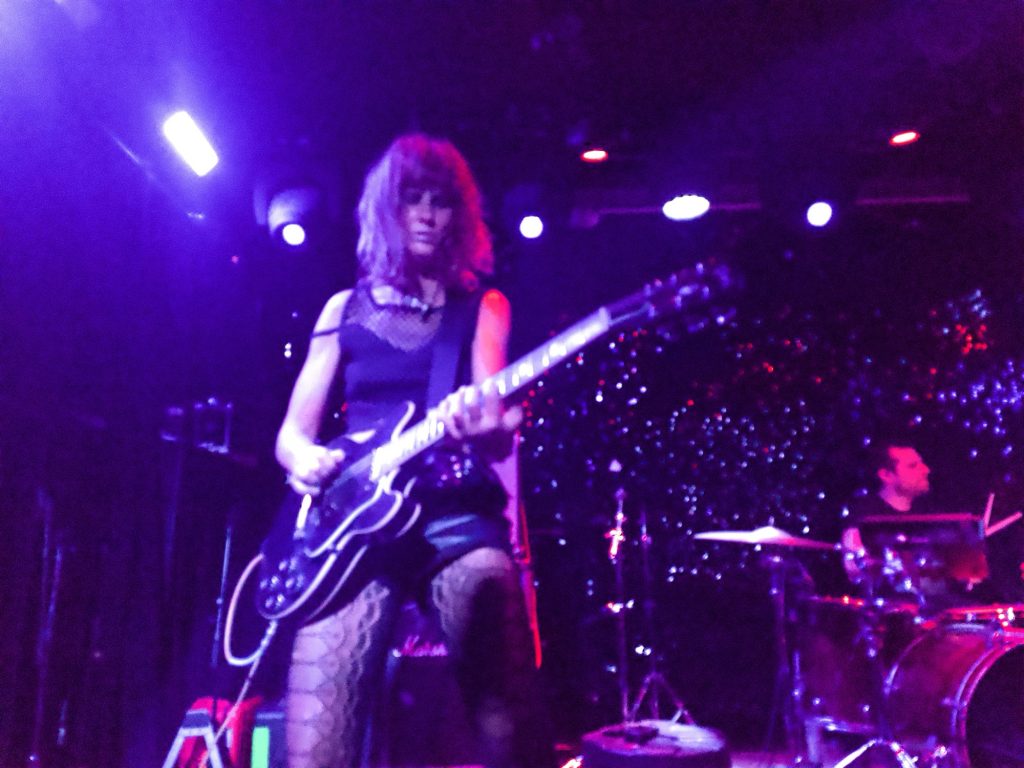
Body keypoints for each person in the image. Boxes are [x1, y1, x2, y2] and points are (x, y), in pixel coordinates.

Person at [274, 134, 552, 768]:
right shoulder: (343, 309)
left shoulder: (482, 306)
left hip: (453, 512)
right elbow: (290, 435)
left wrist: (486, 423)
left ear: (461, 215)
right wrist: (305, 460)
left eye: (441, 201)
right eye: (412, 199)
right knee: (315, 753)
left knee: (510, 724)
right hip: (352, 528)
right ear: (385, 209)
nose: (427, 214)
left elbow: (496, 426)